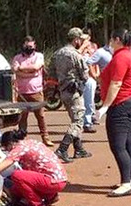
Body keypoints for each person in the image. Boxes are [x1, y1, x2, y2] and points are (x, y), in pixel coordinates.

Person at [94, 29, 131, 197]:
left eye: (112, 40)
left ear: (118, 40)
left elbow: (116, 84)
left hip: (120, 105)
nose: (110, 43)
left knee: (118, 146)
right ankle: (130, 179)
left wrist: (105, 107)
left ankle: (126, 183)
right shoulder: (128, 55)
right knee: (128, 144)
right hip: (129, 102)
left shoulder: (121, 57)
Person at [0, 130, 68, 206]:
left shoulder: (19, 149)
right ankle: (51, 196)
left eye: (6, 147)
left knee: (17, 176)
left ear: (10, 143)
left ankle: (38, 205)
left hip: (53, 181)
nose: (7, 150)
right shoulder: (31, 142)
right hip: (59, 178)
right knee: (18, 186)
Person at [48, 27, 92, 163]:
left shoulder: (57, 53)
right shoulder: (75, 54)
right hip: (74, 92)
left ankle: (79, 148)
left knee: (74, 118)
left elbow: (51, 73)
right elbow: (85, 74)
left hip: (63, 91)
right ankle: (62, 148)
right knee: (78, 121)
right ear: (76, 40)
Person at [12, 36, 54, 147]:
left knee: (41, 117)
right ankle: (21, 140)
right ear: (23, 45)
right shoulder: (17, 58)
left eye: (31, 46)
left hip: (36, 92)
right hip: (22, 93)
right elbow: (16, 70)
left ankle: (46, 138)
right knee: (22, 118)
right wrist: (30, 71)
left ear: (34, 46)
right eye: (27, 46)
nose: (29, 48)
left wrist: (23, 69)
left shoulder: (39, 56)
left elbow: (36, 67)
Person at [87, 41, 114, 124]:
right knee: (108, 101)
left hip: (117, 80)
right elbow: (89, 62)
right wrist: (95, 76)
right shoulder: (100, 52)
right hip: (106, 82)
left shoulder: (118, 52)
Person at [83, 42, 99, 133]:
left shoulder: (89, 56)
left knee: (89, 101)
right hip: (87, 80)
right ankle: (87, 123)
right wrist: (95, 75)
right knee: (88, 102)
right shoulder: (85, 56)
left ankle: (89, 120)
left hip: (89, 80)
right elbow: (90, 68)